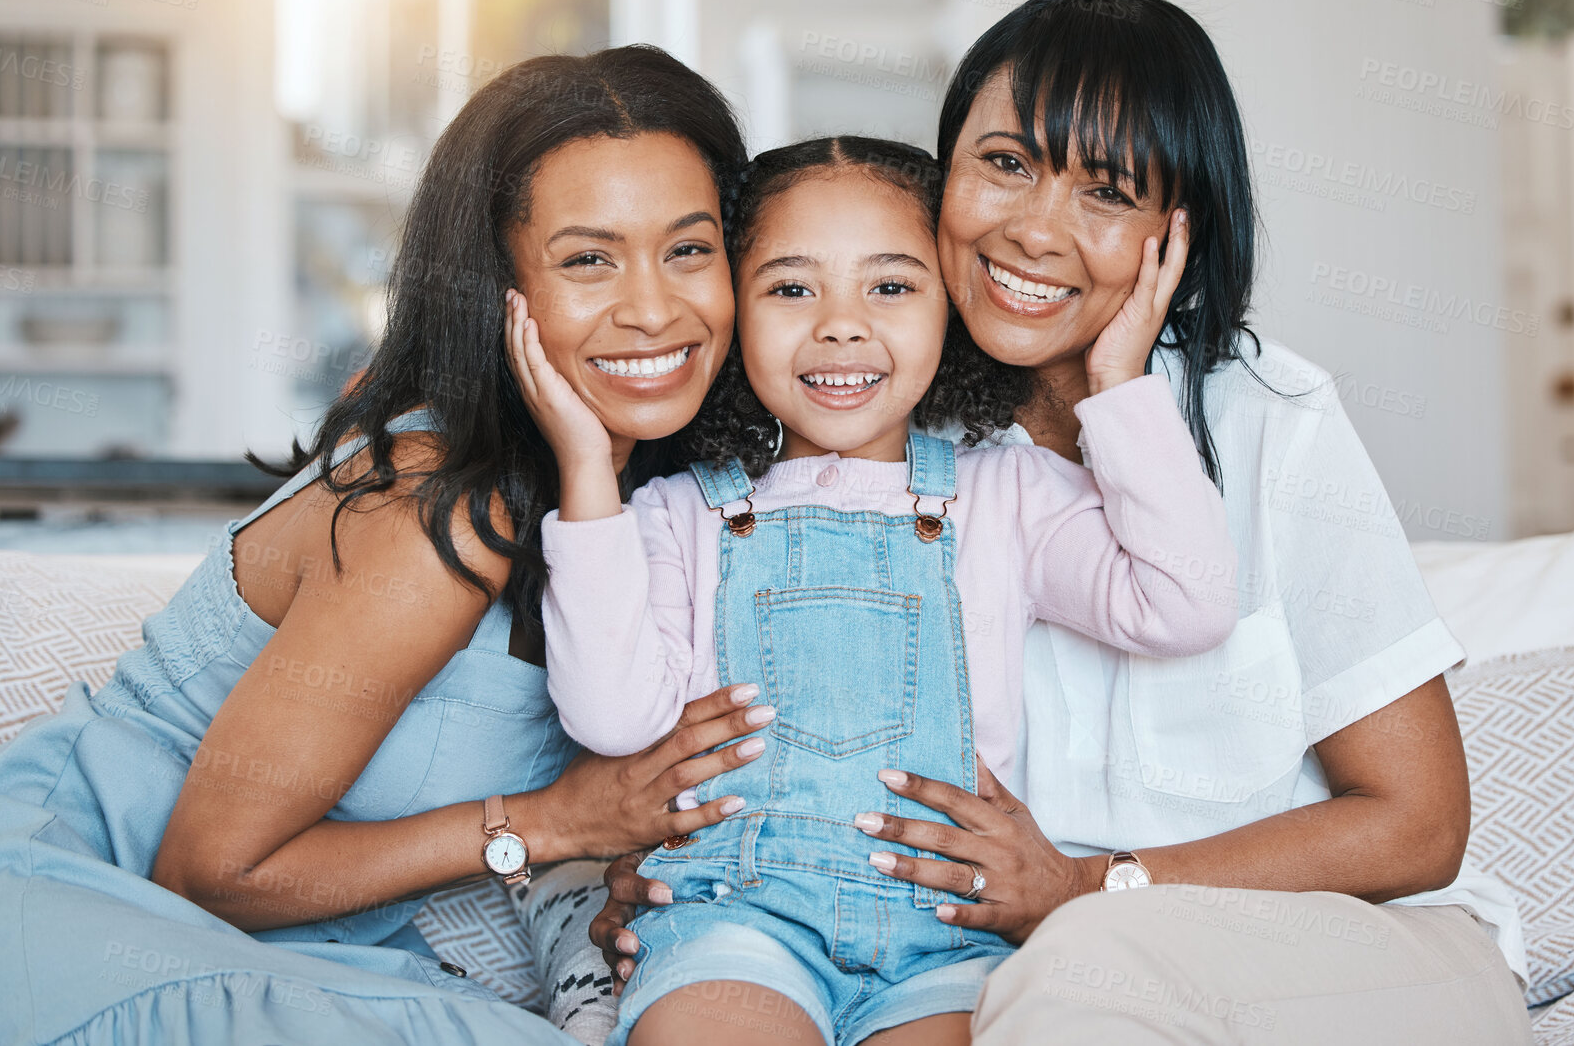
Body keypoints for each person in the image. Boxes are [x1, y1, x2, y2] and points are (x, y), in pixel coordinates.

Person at [586, 0, 1536, 1045]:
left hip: (1338, 948)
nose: (1035, 230)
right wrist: (688, 873)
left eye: (1108, 193)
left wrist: (1093, 885)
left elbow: (1416, 825)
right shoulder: (876, 433)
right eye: (1005, 164)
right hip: (1015, 957)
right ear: (940, 177)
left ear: (1176, 233)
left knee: (1069, 983)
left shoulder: (1269, 419)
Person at [0, 45, 775, 1045]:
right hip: (60, 905)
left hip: (256, 944)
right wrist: (553, 822)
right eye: (587, 259)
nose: (653, 307)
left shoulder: (647, 503)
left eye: (688, 250)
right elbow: (209, 872)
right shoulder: (432, 508)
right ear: (496, 290)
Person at [508, 135, 1237, 1046]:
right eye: (790, 287)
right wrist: (587, 468)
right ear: (735, 309)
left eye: (890, 286)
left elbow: (1189, 599)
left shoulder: (1004, 494)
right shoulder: (671, 515)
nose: (841, 325)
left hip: (948, 941)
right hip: (738, 922)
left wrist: (1118, 380)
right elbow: (611, 720)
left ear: (948, 306)